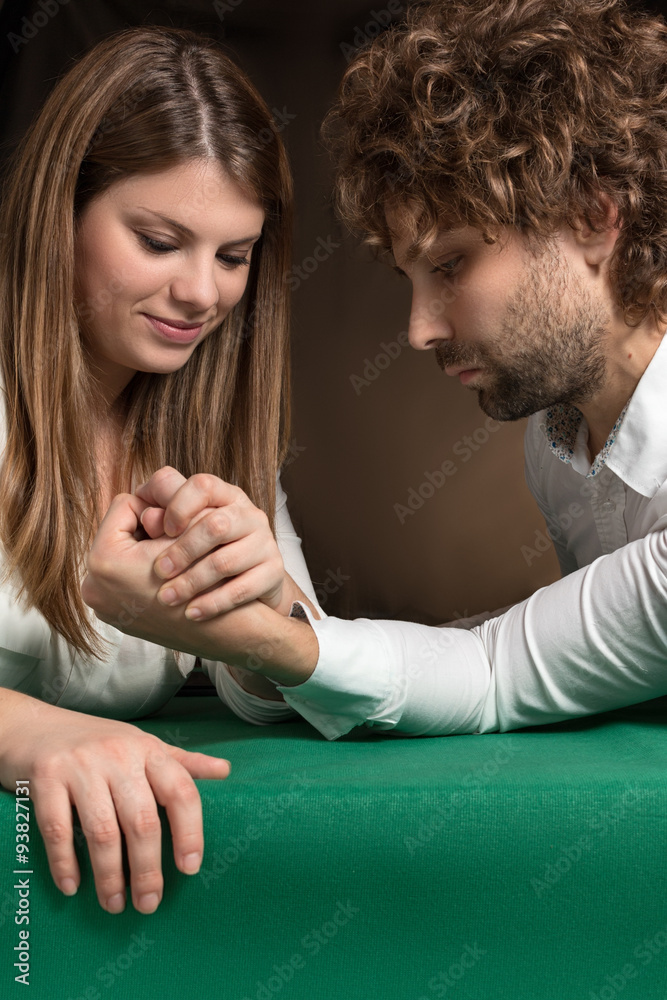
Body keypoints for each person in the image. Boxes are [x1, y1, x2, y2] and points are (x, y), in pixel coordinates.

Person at [84, 0, 667, 744]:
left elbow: (495, 670)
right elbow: (558, 641)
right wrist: (275, 616)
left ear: (592, 214)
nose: (419, 330)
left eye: (451, 264)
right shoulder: (559, 440)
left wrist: (259, 637)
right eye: (409, 278)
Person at [0, 25, 324, 915]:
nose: (201, 294)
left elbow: (272, 698)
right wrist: (26, 733)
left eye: (232, 256)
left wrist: (262, 612)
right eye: (157, 240)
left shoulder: (211, 426)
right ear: (58, 210)